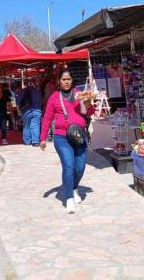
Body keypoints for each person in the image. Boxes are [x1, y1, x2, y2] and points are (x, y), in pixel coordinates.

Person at [39, 69, 94, 214]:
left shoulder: (80, 94)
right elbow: (47, 118)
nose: (67, 81)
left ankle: (74, 187)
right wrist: (43, 138)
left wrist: (88, 105)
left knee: (80, 167)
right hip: (62, 137)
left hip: (79, 136)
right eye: (64, 79)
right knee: (69, 166)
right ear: (59, 81)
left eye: (69, 79)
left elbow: (89, 113)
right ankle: (69, 198)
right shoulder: (54, 97)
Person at [18, 81, 43, 147]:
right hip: (37, 110)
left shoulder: (22, 91)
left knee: (26, 126)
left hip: (26, 111)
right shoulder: (37, 91)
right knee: (35, 125)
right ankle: (35, 141)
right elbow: (41, 100)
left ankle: (27, 141)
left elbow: (18, 102)